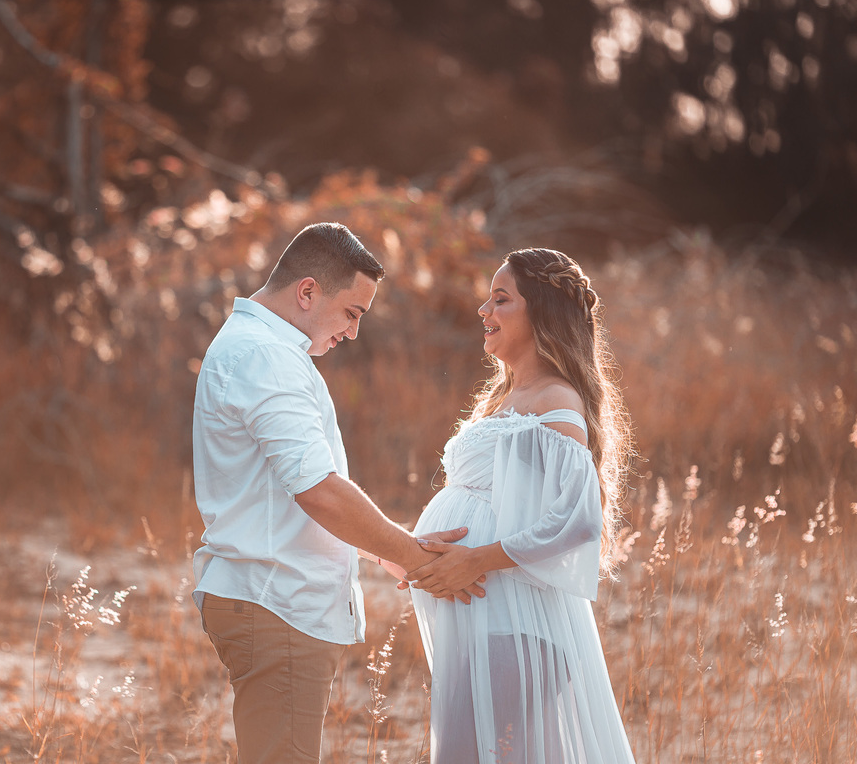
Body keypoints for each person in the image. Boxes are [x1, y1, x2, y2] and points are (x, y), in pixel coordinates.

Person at [192, 222, 483, 764]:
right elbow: (319, 492)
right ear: (307, 292)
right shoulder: (266, 356)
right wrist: (414, 557)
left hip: (272, 599)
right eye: (352, 313)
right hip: (277, 604)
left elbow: (285, 495)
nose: (353, 332)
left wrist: (385, 555)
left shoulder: (261, 348)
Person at [404, 248, 636, 764]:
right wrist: (410, 555)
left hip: (515, 622)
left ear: (541, 314)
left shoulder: (556, 400)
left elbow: (579, 519)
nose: (484, 310)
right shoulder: (507, 398)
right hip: (488, 620)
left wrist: (476, 559)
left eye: (501, 299)